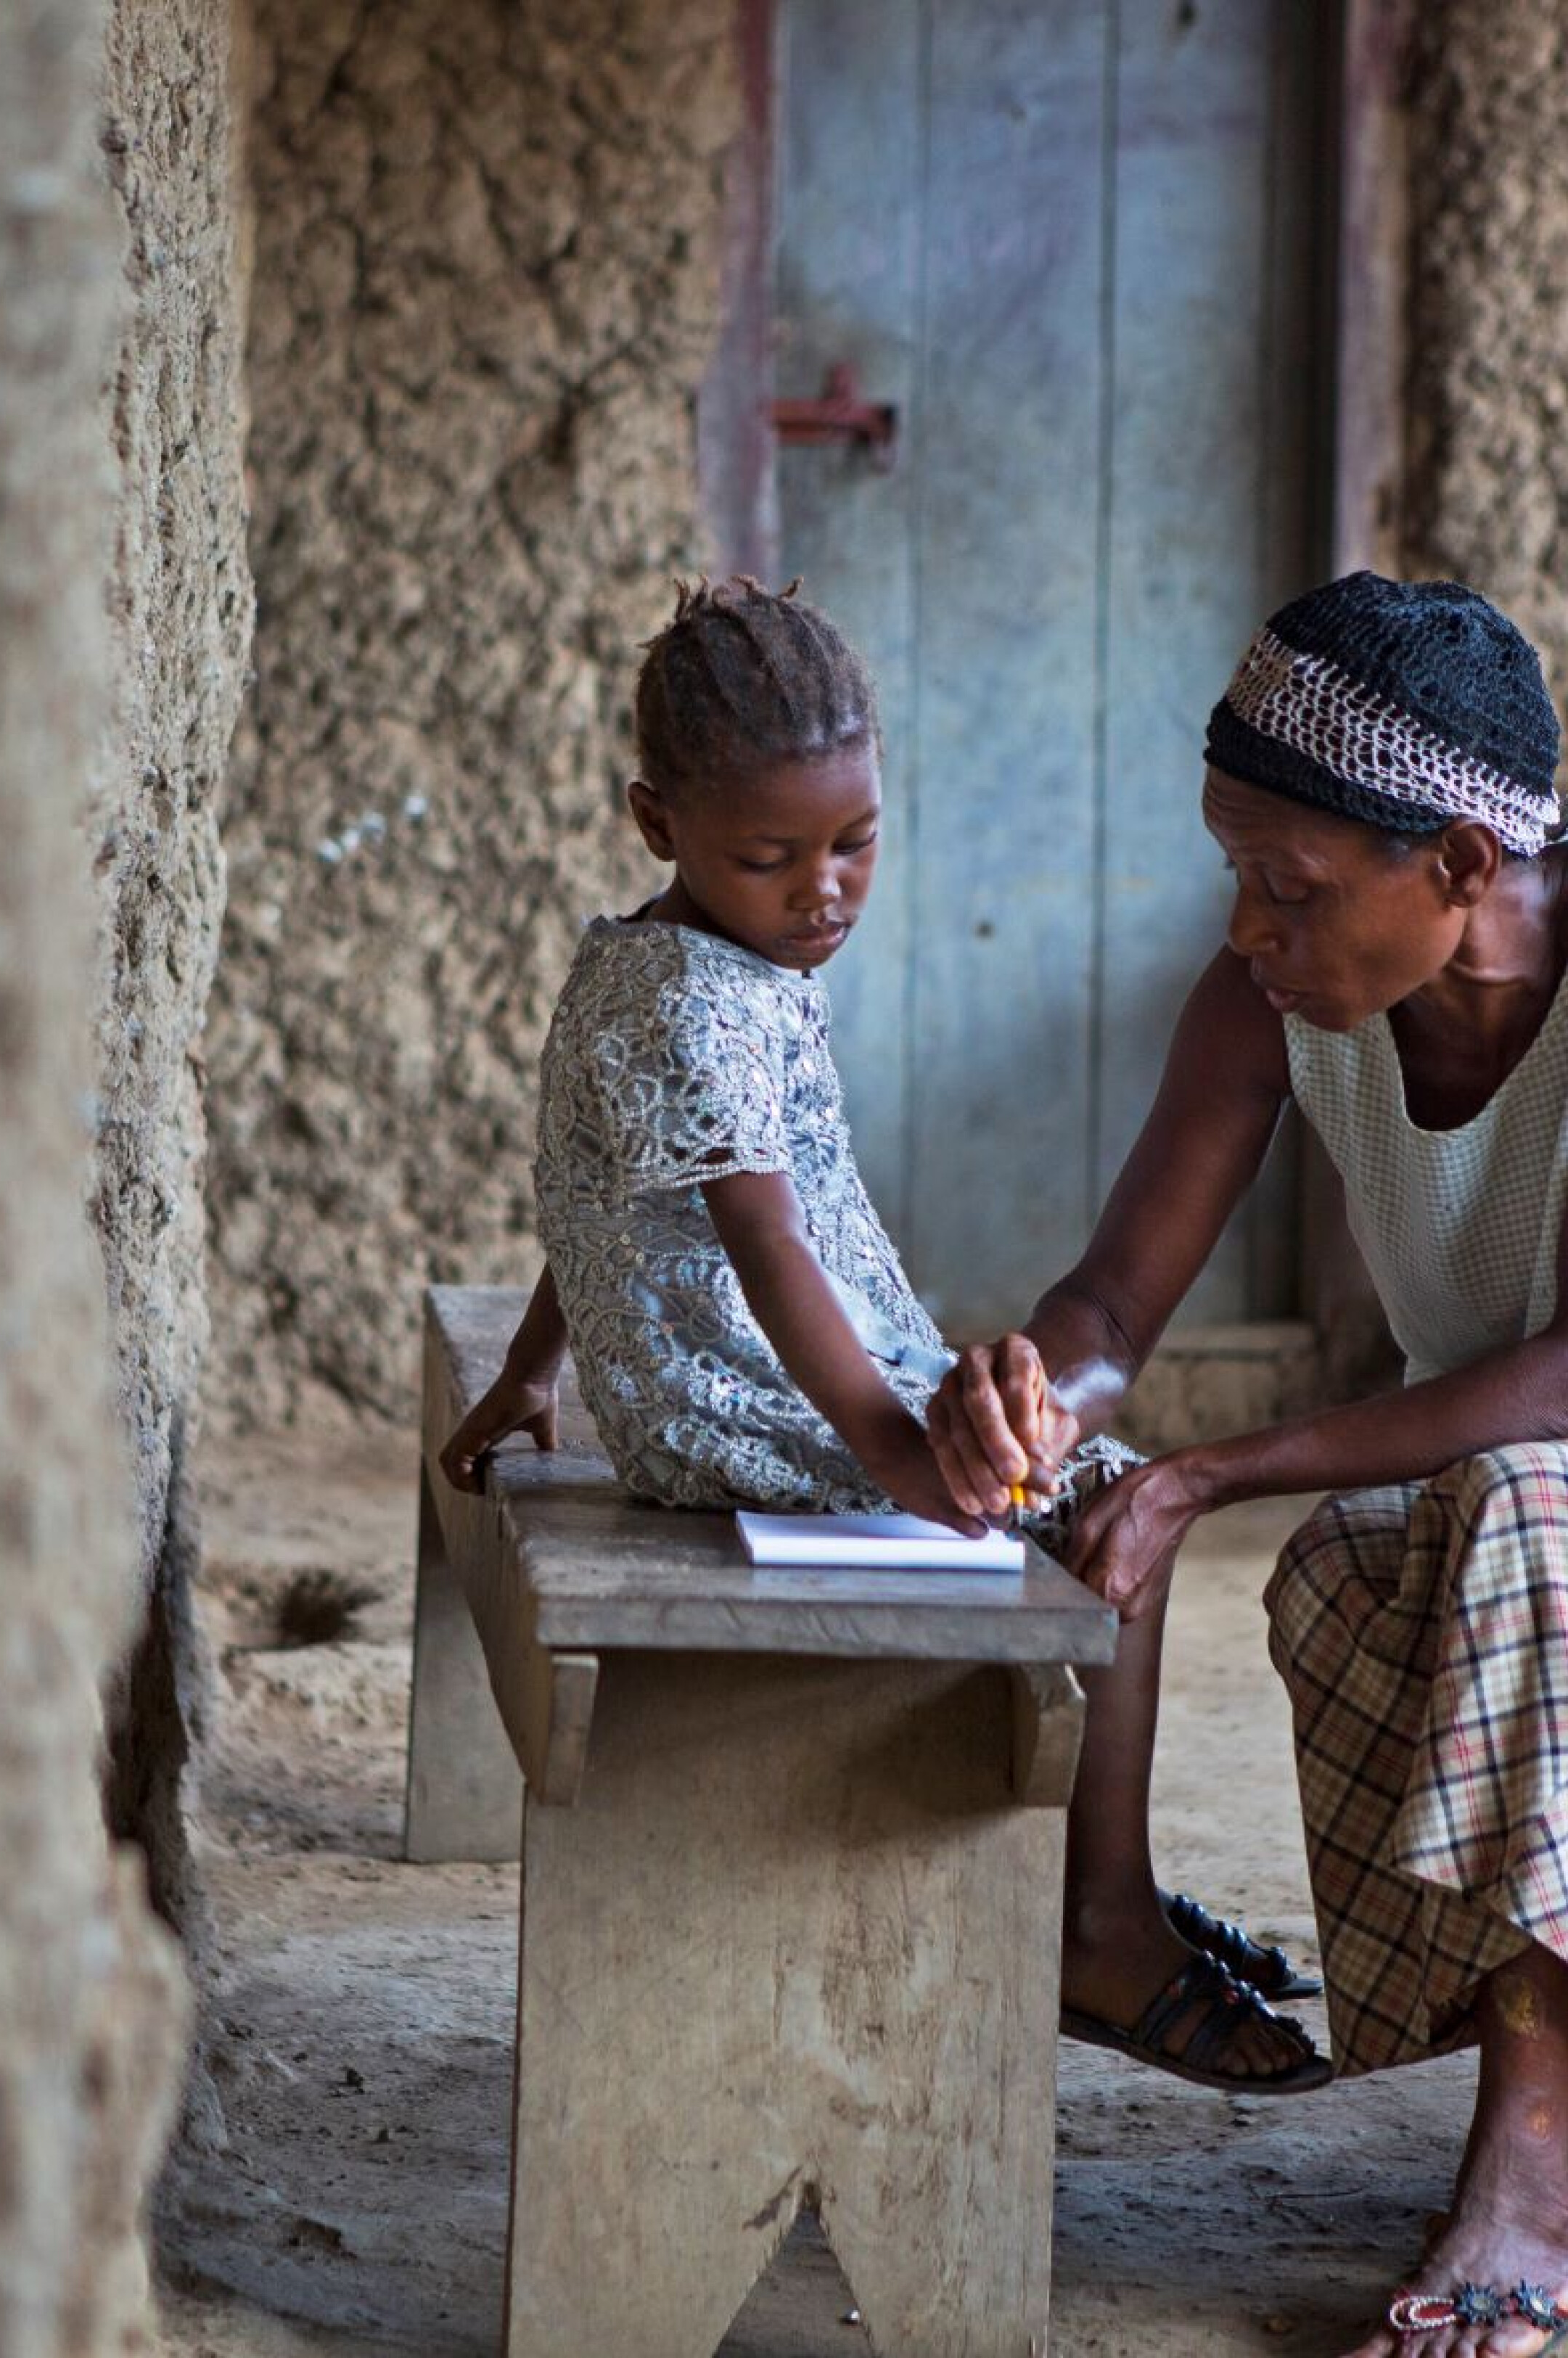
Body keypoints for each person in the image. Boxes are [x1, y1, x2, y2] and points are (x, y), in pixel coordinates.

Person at [441, 573, 1328, 2092]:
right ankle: (1097, 1922)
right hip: (734, 1397)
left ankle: (1090, 1886)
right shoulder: (699, 1004)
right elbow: (769, 1250)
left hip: (712, 1367)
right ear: (657, 822)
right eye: (769, 856)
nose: (823, 891)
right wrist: (896, 1449)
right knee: (1115, 1500)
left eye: (854, 842)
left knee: (1080, 1474)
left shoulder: (679, 953)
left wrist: (538, 1365)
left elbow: (608, 1198)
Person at [928, 572, 1568, 2357]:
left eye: (1291, 886)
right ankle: (1117, 1930)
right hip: (1507, 1490)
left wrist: (1217, 1469)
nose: (1250, 926)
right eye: (1236, 873)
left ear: (1456, 863)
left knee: (1518, 1517)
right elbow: (1117, 1298)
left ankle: (1527, 2183)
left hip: (1548, 1481)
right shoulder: (1273, 1000)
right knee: (1353, 1558)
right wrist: (1036, 1389)